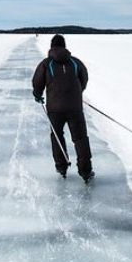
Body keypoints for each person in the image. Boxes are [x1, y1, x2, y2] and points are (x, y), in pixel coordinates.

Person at [32, 34, 94, 182]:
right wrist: (77, 93)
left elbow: (37, 81)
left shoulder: (46, 63)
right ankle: (85, 171)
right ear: (64, 45)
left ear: (52, 46)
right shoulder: (75, 62)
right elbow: (83, 79)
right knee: (80, 139)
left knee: (57, 136)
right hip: (75, 108)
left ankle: (61, 167)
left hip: (54, 108)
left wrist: (37, 94)